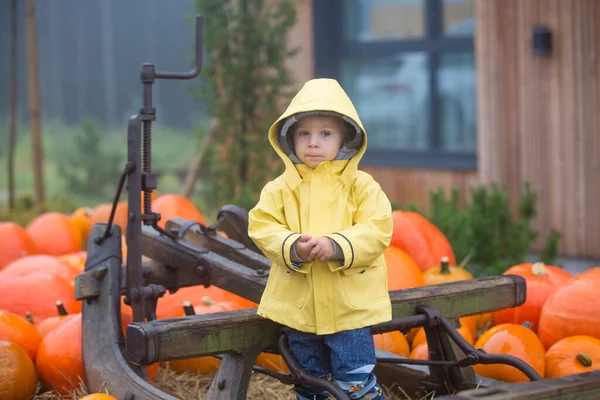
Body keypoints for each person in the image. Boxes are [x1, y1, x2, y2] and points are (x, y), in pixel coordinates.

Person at [248, 78, 393, 400]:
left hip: (348, 308)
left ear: (345, 140)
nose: (313, 142)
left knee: (354, 379)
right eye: (304, 133)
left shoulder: (362, 186)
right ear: (289, 139)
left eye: (325, 133)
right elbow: (262, 225)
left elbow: (378, 228)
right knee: (308, 378)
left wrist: (337, 244)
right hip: (301, 307)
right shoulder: (280, 188)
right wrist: (292, 246)